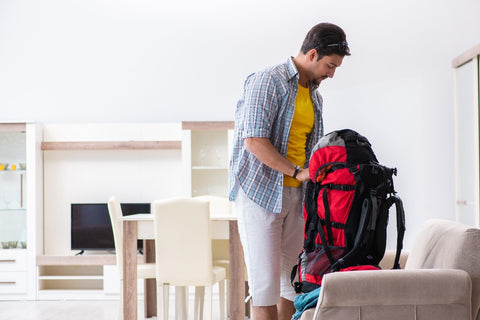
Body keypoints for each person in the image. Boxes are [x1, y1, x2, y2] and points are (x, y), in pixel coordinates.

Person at [228, 22, 350, 320]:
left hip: (297, 195)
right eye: (330, 65)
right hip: (261, 192)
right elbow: (254, 141)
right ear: (312, 54)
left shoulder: (314, 96)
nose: (332, 74)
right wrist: (297, 172)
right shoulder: (267, 81)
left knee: (293, 283)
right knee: (265, 286)